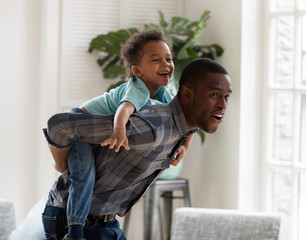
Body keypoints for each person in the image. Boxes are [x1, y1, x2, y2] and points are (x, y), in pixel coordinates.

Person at [42, 58, 232, 240]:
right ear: (187, 94)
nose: (223, 105)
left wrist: (186, 143)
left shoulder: (180, 127)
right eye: (214, 95)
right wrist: (61, 163)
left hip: (106, 222)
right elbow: (59, 126)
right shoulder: (150, 128)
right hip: (71, 220)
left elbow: (189, 120)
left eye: (226, 97)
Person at [47, 29, 195, 240]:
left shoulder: (162, 93)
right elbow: (124, 110)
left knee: (88, 174)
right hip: (81, 126)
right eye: (156, 60)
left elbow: (186, 120)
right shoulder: (138, 87)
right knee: (84, 176)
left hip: (94, 133)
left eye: (168, 59)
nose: (166, 64)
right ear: (137, 71)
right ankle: (75, 232)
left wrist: (185, 146)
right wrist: (119, 131)